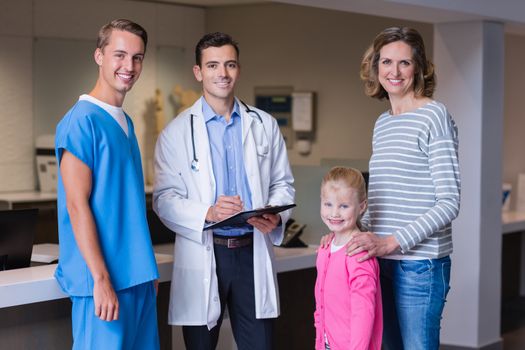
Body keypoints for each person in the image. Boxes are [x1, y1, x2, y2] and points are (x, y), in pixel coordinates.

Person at [153, 32, 295, 350]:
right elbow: (164, 199)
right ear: (198, 72)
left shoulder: (264, 125)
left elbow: (283, 184)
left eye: (230, 64)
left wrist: (277, 215)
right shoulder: (176, 132)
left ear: (238, 69)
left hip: (251, 250)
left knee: (259, 344)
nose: (223, 73)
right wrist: (208, 212)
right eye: (213, 65)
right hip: (207, 249)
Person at [321, 27, 460, 349]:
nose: (394, 72)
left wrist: (391, 243)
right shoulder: (383, 123)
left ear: (419, 68)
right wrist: (349, 233)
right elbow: (385, 200)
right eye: (386, 62)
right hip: (378, 260)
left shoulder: (434, 116)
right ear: (375, 66)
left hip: (419, 266)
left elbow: (449, 202)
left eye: (404, 63)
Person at [54, 19, 160, 349]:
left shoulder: (125, 122)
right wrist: (100, 278)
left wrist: (147, 269)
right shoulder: (81, 121)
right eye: (119, 55)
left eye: (137, 57)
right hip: (103, 284)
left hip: (137, 279)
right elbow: (76, 204)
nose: (129, 66)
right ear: (99, 56)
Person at [314, 167, 382, 350]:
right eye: (328, 204)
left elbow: (364, 313)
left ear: (362, 206)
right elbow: (320, 306)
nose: (334, 213)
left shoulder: (358, 253)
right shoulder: (325, 249)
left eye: (343, 206)